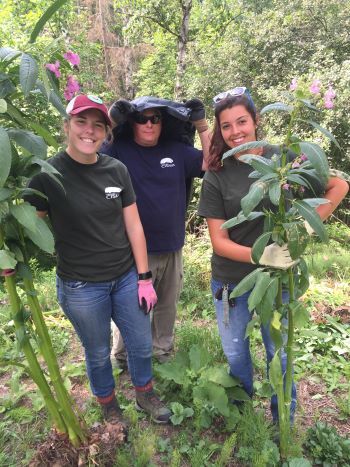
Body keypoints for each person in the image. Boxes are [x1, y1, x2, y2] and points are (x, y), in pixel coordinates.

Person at [197, 87, 349, 422]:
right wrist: (264, 256)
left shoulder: (283, 158)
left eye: (242, 121)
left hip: (279, 280)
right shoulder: (216, 173)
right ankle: (244, 418)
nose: (236, 131)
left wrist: (305, 227)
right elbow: (219, 242)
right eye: (226, 126)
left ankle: (284, 421)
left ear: (255, 121)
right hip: (231, 283)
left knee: (279, 354)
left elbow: (338, 186)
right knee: (236, 354)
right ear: (219, 131)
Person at [24, 94, 171, 430]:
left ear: (106, 132)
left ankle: (145, 393)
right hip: (80, 285)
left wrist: (144, 277)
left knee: (139, 343)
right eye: (81, 122)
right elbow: (28, 223)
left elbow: (133, 225)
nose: (89, 131)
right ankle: (109, 405)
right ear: (67, 126)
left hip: (124, 277)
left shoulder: (115, 169)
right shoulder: (48, 174)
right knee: (97, 350)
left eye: (98, 125)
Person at [102, 96, 210, 366]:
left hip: (172, 247)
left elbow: (210, 164)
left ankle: (161, 353)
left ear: (163, 123)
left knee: (166, 306)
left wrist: (202, 125)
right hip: (132, 251)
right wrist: (111, 122)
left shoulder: (176, 151)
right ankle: (123, 357)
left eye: (155, 119)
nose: (149, 124)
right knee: (131, 307)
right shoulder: (119, 150)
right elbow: (91, 158)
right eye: (142, 118)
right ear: (133, 123)